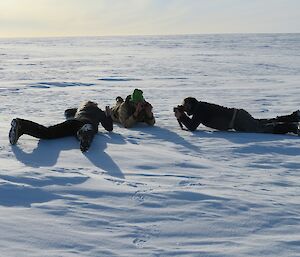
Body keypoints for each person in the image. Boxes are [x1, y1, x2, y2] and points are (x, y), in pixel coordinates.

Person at [9, 101, 113, 152]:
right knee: (88, 130)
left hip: (73, 122)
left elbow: (67, 112)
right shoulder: (99, 111)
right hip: (87, 123)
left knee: (47, 132)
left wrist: (78, 110)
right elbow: (109, 128)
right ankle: (84, 133)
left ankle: (22, 125)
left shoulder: (79, 110)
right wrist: (108, 116)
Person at [174, 97, 300, 136]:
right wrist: (183, 115)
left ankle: (292, 127)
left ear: (191, 105)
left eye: (185, 106)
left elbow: (192, 127)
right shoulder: (200, 107)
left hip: (237, 119)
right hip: (238, 116)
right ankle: (293, 117)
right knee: (262, 123)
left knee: (260, 129)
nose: (184, 108)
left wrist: (182, 116)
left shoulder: (200, 110)